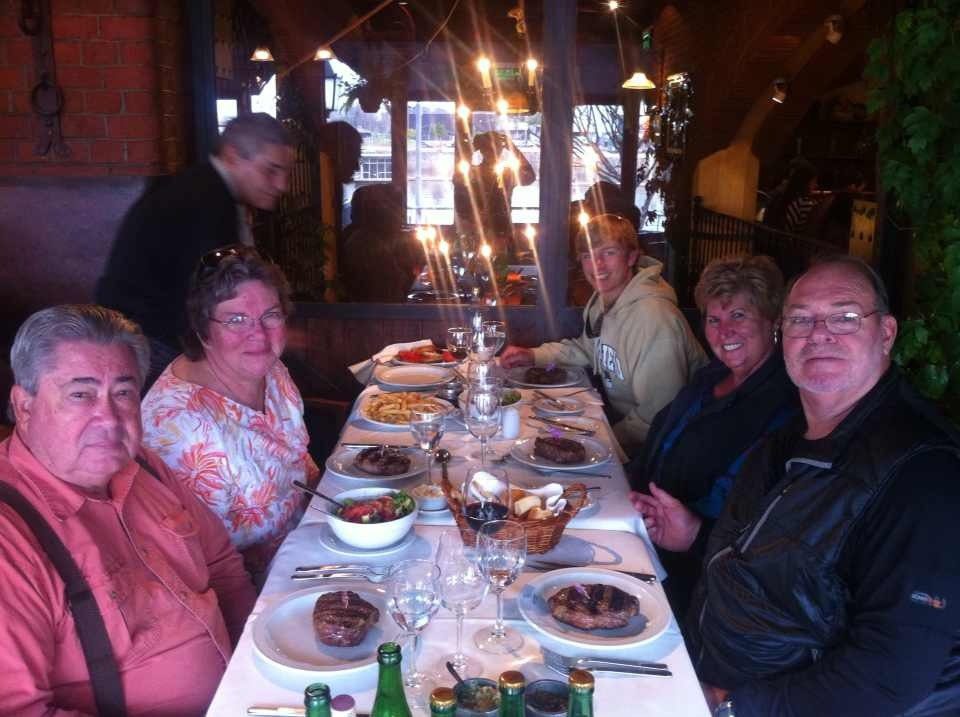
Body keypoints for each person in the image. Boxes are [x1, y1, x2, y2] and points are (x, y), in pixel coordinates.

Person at [647, 256, 960, 716]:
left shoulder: (923, 474)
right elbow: (775, 568)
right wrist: (696, 537)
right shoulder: (787, 440)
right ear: (783, 335)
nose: (819, 333)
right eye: (801, 319)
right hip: (698, 669)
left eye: (844, 317)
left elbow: (891, 673)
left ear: (886, 333)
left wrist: (731, 706)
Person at [0, 304, 255, 715]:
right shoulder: (10, 534)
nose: (109, 418)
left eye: (123, 393)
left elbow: (223, 567)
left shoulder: (143, 467)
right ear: (24, 407)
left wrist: (258, 665)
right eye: (80, 395)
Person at [628, 255, 799, 617]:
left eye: (739, 315)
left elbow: (760, 524)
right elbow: (657, 446)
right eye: (713, 319)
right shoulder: (709, 378)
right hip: (643, 538)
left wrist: (695, 534)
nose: (725, 332)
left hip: (700, 582)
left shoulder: (784, 405)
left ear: (772, 321)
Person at [141, 246, 319, 584]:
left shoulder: (272, 371)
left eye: (271, 315)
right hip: (259, 590)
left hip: (312, 544)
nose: (259, 334)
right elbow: (197, 565)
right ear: (203, 331)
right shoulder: (179, 426)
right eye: (236, 320)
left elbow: (297, 458)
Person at [96, 113, 295, 388]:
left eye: (286, 172)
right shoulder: (206, 201)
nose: (282, 185)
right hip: (147, 346)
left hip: (147, 336)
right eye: (271, 170)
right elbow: (212, 300)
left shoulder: (206, 187)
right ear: (233, 156)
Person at [501, 213, 707, 457]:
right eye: (587, 255)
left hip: (670, 450)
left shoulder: (654, 318)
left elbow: (658, 415)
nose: (597, 265)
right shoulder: (605, 301)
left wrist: (600, 443)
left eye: (609, 253)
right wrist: (533, 355)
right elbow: (587, 350)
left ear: (632, 256)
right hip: (630, 429)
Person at [340, 184, 425, 302]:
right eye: (398, 208)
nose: (402, 215)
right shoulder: (365, 243)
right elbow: (391, 289)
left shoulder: (361, 237)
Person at [453, 131, 535, 253]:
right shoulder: (473, 172)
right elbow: (457, 182)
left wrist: (514, 150)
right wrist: (471, 150)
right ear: (482, 151)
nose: (492, 152)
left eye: (496, 148)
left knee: (500, 260)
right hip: (476, 230)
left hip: (500, 232)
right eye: (487, 149)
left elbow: (529, 177)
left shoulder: (507, 174)